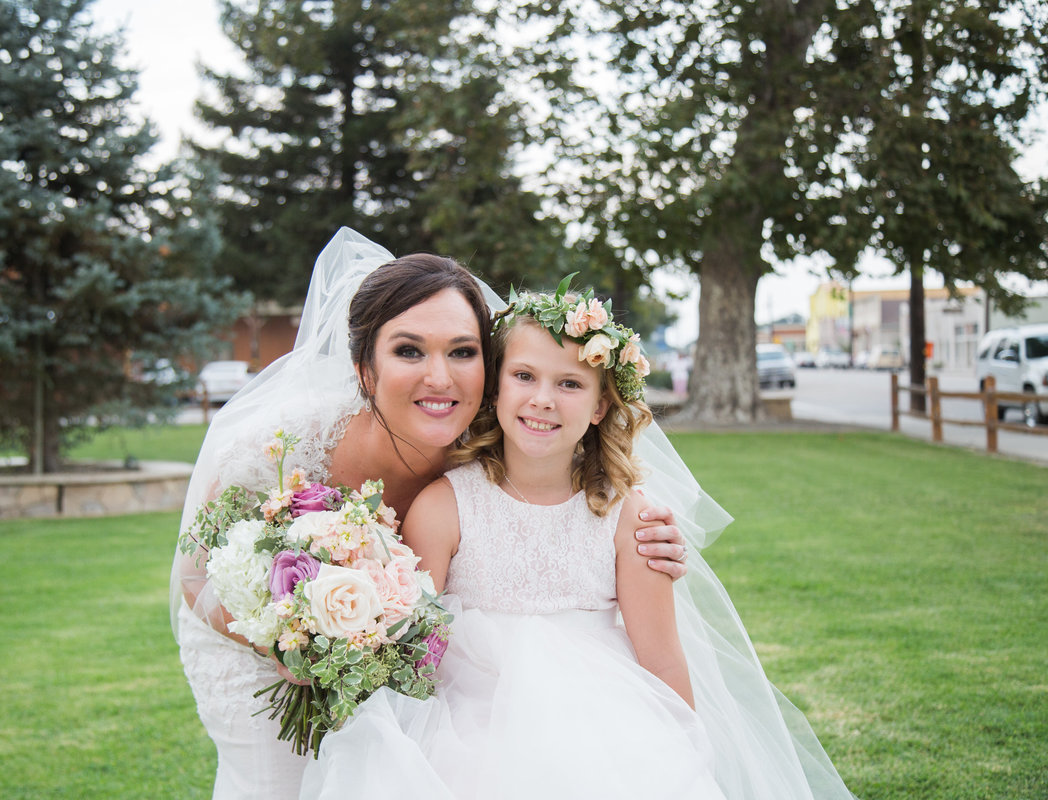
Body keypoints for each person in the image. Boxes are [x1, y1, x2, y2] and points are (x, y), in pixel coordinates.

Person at [169, 229, 691, 799]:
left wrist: (650, 539)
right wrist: (287, 641)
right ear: (364, 368)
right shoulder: (282, 444)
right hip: (260, 658)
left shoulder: (503, 436)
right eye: (409, 350)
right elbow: (195, 576)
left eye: (463, 352)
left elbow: (568, 501)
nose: (439, 378)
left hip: (422, 689)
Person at [300, 284, 859, 800]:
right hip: (467, 732)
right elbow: (411, 648)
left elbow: (662, 657)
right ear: (495, 389)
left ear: (598, 407)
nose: (544, 399)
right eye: (525, 376)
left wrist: (687, 755)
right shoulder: (444, 507)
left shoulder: (628, 516)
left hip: (607, 731)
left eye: (569, 384)